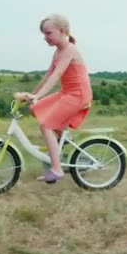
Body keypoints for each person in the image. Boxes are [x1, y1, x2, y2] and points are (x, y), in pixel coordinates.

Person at [15, 14, 93, 182]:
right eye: (44, 34)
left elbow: (57, 75)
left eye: (48, 33)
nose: (45, 37)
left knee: (46, 126)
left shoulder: (69, 49)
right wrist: (32, 95)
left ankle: (57, 169)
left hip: (78, 94)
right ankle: (63, 140)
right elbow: (47, 76)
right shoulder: (58, 52)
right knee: (35, 108)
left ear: (62, 31)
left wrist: (38, 95)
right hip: (68, 93)